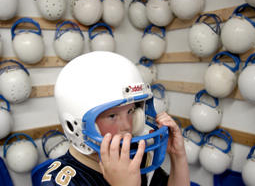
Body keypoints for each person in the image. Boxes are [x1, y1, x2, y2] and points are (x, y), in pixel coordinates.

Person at [39, 51, 190, 186]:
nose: (127, 126)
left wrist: (178, 157)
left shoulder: (135, 155)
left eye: (131, 111)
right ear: (75, 126)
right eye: (112, 116)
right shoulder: (61, 181)